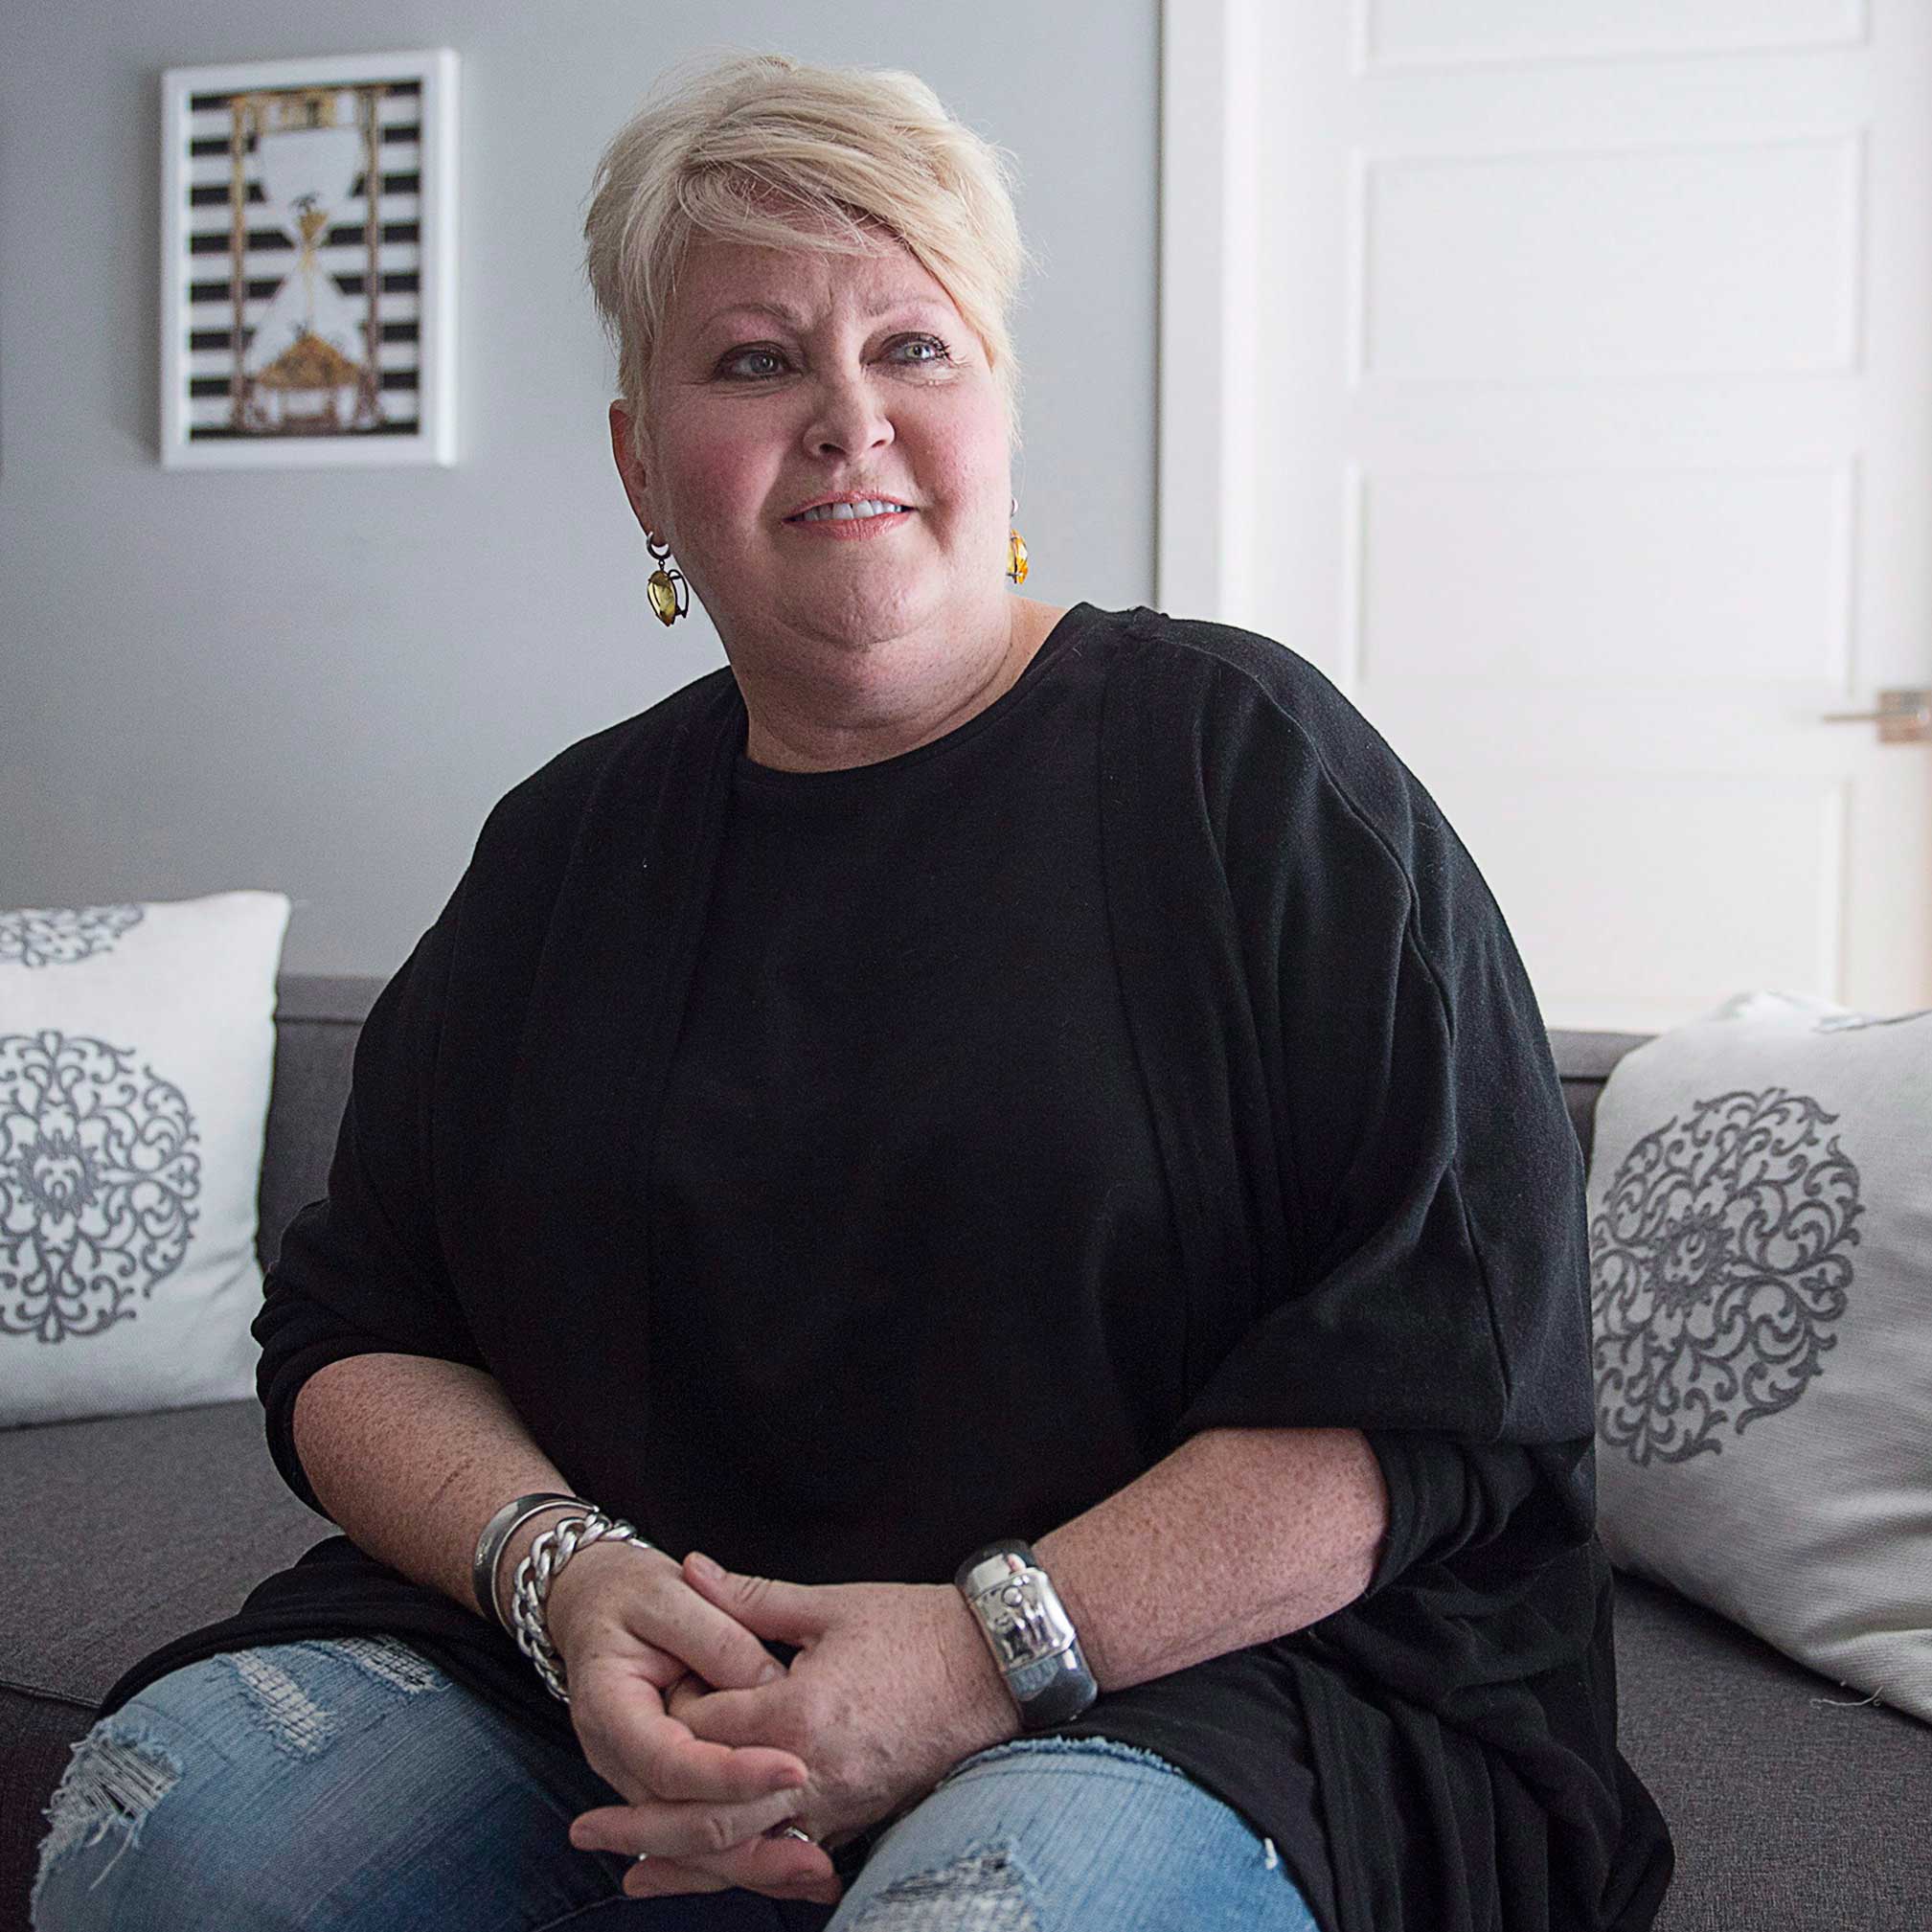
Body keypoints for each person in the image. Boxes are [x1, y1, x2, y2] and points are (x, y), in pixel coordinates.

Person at [33, 50, 1673, 1932]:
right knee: (186, 1833)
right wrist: (560, 1575)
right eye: (753, 360)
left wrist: (984, 1654)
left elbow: (1441, 1383)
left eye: (913, 346)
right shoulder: (564, 849)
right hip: (607, 1681)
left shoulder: (1255, 775)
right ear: (644, 461)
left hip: (1207, 1685)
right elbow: (351, 1326)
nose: (845, 418)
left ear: (998, 407)